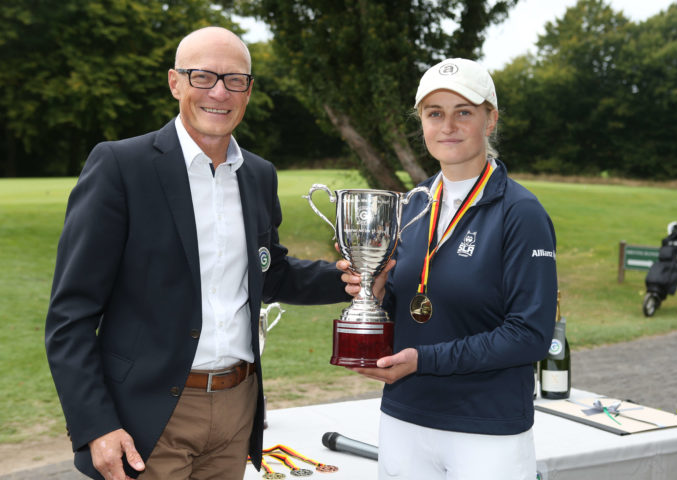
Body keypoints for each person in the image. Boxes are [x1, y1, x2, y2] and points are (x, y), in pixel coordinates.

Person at [45, 26, 351, 480]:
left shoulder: (259, 176)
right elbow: (70, 315)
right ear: (175, 82)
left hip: (237, 412)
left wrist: (350, 278)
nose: (220, 93)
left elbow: (269, 273)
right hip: (150, 418)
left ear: (248, 90)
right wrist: (96, 425)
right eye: (203, 77)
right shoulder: (120, 167)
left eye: (235, 80)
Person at [340, 58, 558, 479]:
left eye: (464, 112)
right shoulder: (412, 204)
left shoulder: (521, 212)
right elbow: (410, 309)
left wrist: (423, 360)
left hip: (486, 429)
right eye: (434, 113)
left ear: (490, 120)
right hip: (405, 418)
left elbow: (530, 336)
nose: (448, 126)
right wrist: (378, 292)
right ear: (421, 122)